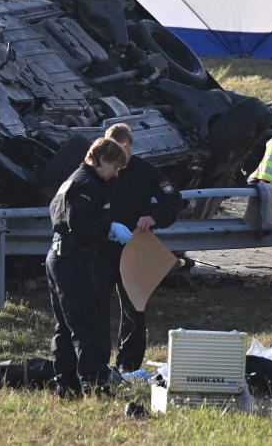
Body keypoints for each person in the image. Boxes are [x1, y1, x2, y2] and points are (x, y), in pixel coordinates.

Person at [47, 137, 129, 395]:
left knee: (66, 326)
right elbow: (78, 224)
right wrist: (108, 228)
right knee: (87, 325)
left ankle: (66, 384)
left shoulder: (75, 179)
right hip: (73, 259)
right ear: (102, 160)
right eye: (115, 167)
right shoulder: (86, 185)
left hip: (60, 256)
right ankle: (94, 383)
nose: (115, 175)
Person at [101, 124, 183, 372]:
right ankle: (97, 362)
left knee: (134, 308)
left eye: (124, 149)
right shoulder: (97, 169)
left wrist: (154, 217)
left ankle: (128, 365)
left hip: (134, 246)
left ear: (131, 146)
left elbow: (173, 199)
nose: (120, 156)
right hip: (101, 246)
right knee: (97, 307)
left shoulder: (145, 171)